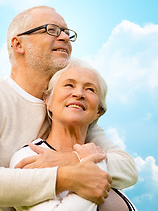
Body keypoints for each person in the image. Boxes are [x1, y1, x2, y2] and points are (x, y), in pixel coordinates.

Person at [0, 6, 138, 211]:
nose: (64, 37)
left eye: (67, 32)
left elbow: (127, 168)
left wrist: (71, 159)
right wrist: (66, 176)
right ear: (18, 44)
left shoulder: (67, 110)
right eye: (51, 30)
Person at [10, 58, 137, 210]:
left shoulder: (98, 155)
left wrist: (82, 160)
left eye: (90, 89)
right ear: (48, 100)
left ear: (99, 111)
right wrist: (92, 167)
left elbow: (130, 172)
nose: (78, 93)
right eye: (69, 85)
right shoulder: (30, 156)